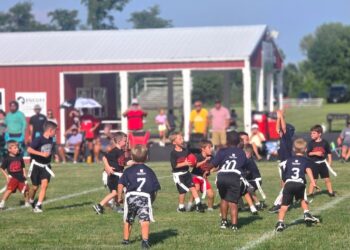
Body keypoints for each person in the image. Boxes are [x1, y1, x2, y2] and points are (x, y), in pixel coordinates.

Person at [117, 144, 161, 249]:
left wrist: (119, 197)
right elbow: (155, 189)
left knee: (128, 219)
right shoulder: (150, 171)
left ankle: (126, 240)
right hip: (145, 198)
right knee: (145, 220)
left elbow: (120, 184)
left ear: (132, 157)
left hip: (130, 197)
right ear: (146, 157)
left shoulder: (128, 171)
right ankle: (145, 241)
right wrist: (152, 200)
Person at [275, 138, 320, 232]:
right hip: (300, 184)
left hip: (289, 184)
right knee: (302, 199)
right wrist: (313, 182)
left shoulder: (288, 160)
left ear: (293, 149)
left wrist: (283, 187)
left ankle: (280, 222)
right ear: (305, 149)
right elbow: (308, 170)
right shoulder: (305, 160)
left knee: (284, 206)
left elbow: (284, 175)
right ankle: (306, 213)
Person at [210, 131, 249, 231]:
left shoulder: (222, 151)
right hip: (234, 176)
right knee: (233, 202)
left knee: (224, 198)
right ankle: (234, 225)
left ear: (226, 140)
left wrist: (206, 169)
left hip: (222, 176)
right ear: (238, 142)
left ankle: (223, 222)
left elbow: (214, 164)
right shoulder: (241, 152)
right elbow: (244, 165)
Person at [93, 132, 129, 215]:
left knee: (118, 192)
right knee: (115, 193)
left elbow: (121, 162)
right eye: (125, 141)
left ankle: (117, 207)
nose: (126, 142)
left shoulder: (121, 151)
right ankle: (99, 205)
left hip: (117, 174)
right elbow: (104, 157)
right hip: (113, 175)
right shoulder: (115, 151)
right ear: (119, 141)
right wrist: (107, 167)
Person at [169, 132, 205, 213]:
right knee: (182, 191)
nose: (182, 140)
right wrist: (185, 163)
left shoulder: (186, 150)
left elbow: (191, 159)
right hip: (178, 176)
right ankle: (181, 207)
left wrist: (194, 161)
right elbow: (174, 166)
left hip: (187, 173)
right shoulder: (173, 153)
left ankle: (199, 205)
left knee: (193, 188)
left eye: (182, 138)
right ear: (174, 142)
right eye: (180, 139)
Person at [27, 121, 57, 213]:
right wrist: (41, 154)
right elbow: (29, 149)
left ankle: (38, 206)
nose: (55, 133)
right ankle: (31, 199)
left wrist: (53, 155)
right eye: (55, 131)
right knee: (35, 187)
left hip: (46, 166)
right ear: (50, 130)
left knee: (44, 185)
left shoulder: (52, 140)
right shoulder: (39, 139)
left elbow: (50, 150)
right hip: (36, 166)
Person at [269, 109, 295, 213]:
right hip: (282, 162)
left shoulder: (287, 137)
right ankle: (288, 200)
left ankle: (278, 204)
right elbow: (278, 129)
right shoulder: (283, 138)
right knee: (283, 183)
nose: (279, 131)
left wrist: (280, 116)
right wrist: (279, 119)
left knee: (286, 185)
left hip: (286, 163)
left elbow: (282, 128)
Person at [307, 125, 335, 197]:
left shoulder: (325, 143)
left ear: (319, 134)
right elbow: (308, 153)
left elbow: (329, 153)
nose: (312, 135)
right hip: (314, 164)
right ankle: (310, 193)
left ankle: (331, 192)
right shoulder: (311, 143)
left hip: (323, 164)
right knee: (314, 180)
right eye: (311, 133)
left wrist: (330, 163)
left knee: (327, 179)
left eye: (314, 133)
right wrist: (315, 153)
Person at [0, 140, 30, 209]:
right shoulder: (7, 158)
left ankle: (26, 202)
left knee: (26, 190)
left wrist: (24, 173)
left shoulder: (19, 157)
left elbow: (23, 166)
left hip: (21, 177)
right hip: (13, 178)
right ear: (9, 149)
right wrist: (7, 176)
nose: (17, 149)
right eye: (15, 148)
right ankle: (2, 203)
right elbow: (1, 168)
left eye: (17, 147)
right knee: (9, 191)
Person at [188, 140, 215, 211]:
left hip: (204, 179)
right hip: (195, 176)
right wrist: (205, 160)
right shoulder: (198, 156)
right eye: (209, 147)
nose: (211, 149)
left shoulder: (211, 157)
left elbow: (215, 166)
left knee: (211, 194)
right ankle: (190, 204)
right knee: (196, 188)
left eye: (211, 147)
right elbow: (195, 165)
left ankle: (210, 208)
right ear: (203, 149)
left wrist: (208, 171)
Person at [243, 144, 264, 212]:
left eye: (244, 153)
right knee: (249, 190)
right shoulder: (249, 160)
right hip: (253, 180)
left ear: (248, 153)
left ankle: (244, 206)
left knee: (245, 190)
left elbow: (248, 172)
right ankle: (258, 204)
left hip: (255, 180)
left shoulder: (248, 161)